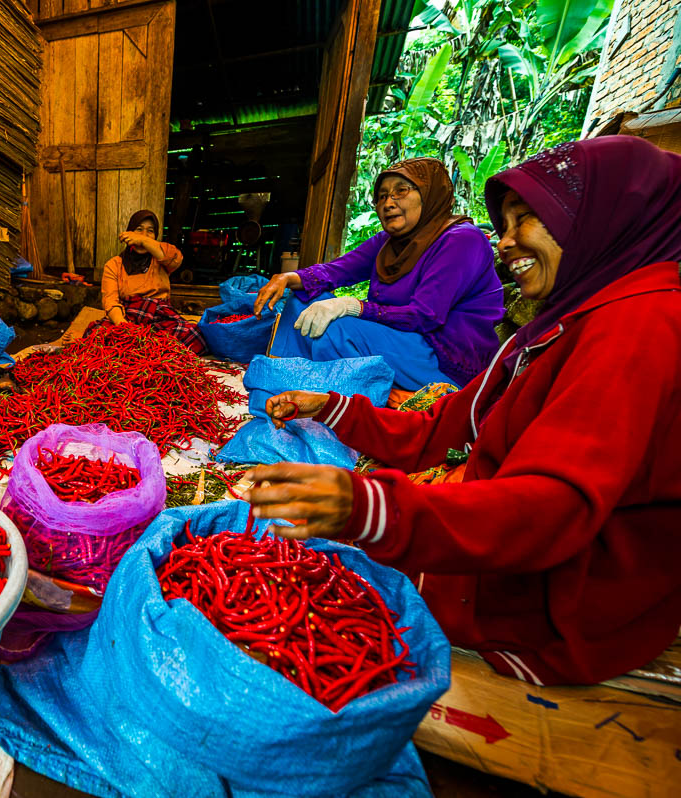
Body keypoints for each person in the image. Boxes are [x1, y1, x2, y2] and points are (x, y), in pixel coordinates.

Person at [244, 137, 681, 686]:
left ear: (606, 221)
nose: (505, 243)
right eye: (507, 222)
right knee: (290, 564)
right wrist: (332, 408)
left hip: (556, 594)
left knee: (300, 590)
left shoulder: (639, 327)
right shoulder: (566, 319)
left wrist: (373, 509)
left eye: (529, 220)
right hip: (507, 535)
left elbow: (553, 509)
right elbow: (450, 423)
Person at [254, 158, 502, 389]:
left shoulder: (462, 240)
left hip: (444, 356)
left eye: (401, 191)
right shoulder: (388, 242)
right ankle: (280, 380)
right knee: (302, 300)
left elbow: (425, 316)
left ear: (430, 195)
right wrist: (286, 278)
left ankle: (330, 399)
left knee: (336, 330)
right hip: (400, 339)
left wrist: (353, 306)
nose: (388, 203)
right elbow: (336, 271)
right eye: (382, 196)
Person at [99, 209, 206, 354]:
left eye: (150, 231)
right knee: (99, 338)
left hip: (160, 317)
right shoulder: (114, 265)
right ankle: (149, 351)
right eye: (138, 230)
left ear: (155, 236)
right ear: (129, 233)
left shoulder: (161, 258)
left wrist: (143, 240)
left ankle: (147, 351)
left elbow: (176, 258)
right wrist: (123, 326)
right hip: (128, 317)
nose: (144, 235)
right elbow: (110, 301)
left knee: (194, 336)